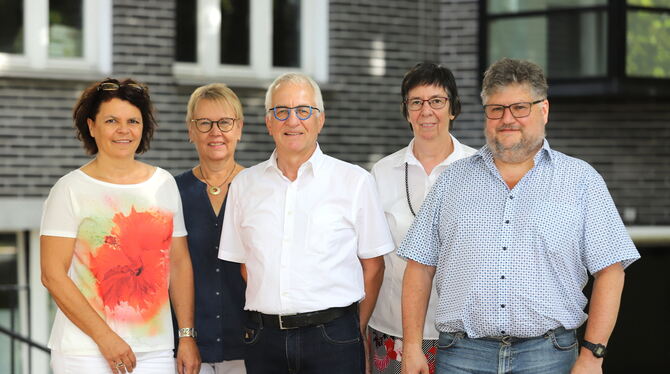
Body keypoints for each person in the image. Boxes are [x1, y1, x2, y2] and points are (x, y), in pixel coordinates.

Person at [399, 58, 640, 374]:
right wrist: (413, 347)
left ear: (544, 110)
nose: (506, 118)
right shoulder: (452, 181)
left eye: (519, 108)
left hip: (550, 356)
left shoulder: (581, 180)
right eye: (496, 109)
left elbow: (610, 271)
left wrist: (592, 356)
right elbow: (419, 266)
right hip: (462, 355)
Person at [218, 72, 394, 374]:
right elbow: (246, 266)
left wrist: (353, 328)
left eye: (303, 111)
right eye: (281, 111)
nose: (292, 121)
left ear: (320, 119)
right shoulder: (244, 185)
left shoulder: (355, 182)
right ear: (268, 122)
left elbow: (374, 266)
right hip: (264, 339)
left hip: (333, 338)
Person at [40, 78, 201, 374]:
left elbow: (179, 264)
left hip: (155, 351)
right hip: (84, 351)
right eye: (111, 120)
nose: (123, 130)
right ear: (91, 126)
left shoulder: (164, 184)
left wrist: (186, 335)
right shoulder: (69, 189)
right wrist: (105, 338)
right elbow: (52, 276)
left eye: (133, 121)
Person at [367, 62, 476, 374]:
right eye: (416, 102)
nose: (426, 111)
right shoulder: (382, 173)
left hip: (464, 335)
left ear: (453, 108)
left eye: (437, 101)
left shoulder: (480, 169)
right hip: (392, 329)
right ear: (406, 111)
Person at [174, 83, 246, 374]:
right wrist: (185, 337)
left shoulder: (261, 188)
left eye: (225, 122)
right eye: (204, 123)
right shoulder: (173, 192)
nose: (215, 132)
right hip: (189, 351)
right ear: (191, 131)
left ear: (239, 128)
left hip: (252, 347)